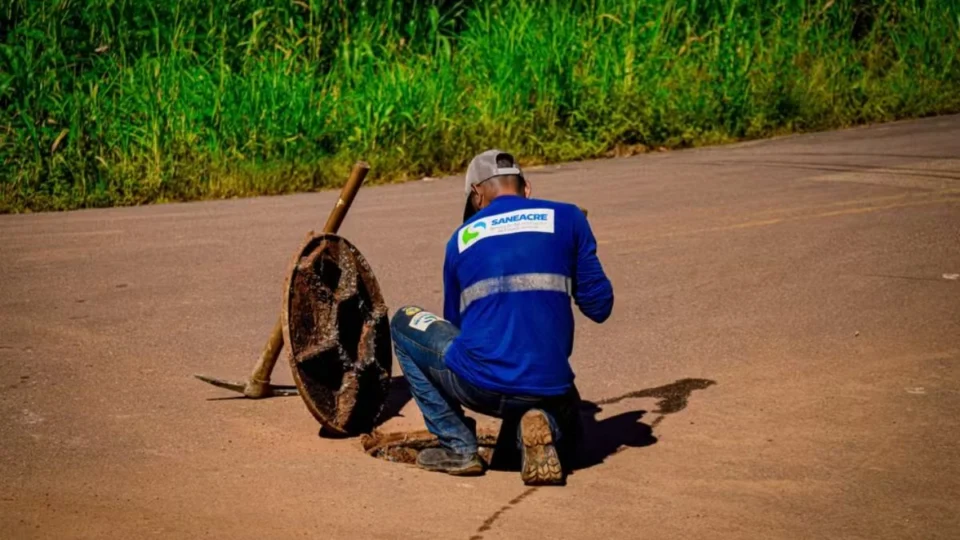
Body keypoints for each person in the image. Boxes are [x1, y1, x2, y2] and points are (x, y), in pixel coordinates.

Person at [390, 149, 614, 485]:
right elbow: (600, 307)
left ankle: (458, 445)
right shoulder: (568, 219)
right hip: (548, 385)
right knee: (570, 419)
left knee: (403, 322)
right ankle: (542, 422)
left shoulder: (460, 240)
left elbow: (458, 328)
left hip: (479, 385)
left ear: (477, 195)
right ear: (526, 188)